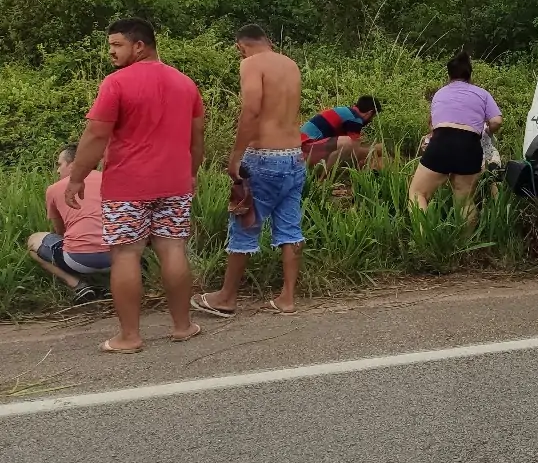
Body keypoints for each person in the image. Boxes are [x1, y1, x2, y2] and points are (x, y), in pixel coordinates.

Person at [65, 18, 204, 353]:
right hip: (174, 182)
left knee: (126, 254)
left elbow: (96, 134)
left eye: (116, 45)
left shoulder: (115, 84)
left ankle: (130, 336)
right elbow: (197, 136)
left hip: (127, 185)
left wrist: (77, 177)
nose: (110, 51)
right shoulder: (185, 83)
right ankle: (183, 326)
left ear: (139, 45)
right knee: (173, 248)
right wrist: (191, 173)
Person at [192, 24, 306, 319]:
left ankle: (226, 297)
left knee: (244, 223)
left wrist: (236, 156)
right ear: (268, 41)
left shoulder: (250, 64)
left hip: (263, 157)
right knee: (290, 228)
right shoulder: (289, 64)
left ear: (239, 46)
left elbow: (252, 109)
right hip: (294, 156)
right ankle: (287, 298)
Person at [410, 50, 501, 221]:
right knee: (465, 202)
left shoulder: (440, 93)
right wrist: (488, 129)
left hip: (442, 141)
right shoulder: (482, 94)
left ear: (449, 75)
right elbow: (497, 121)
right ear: (469, 75)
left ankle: (425, 239)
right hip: (470, 146)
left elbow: (432, 124)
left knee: (418, 193)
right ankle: (466, 245)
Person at [26, 143, 111, 304]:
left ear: (72, 164)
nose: (58, 170)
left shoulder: (54, 189)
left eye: (60, 164)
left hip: (78, 261)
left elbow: (60, 231)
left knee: (33, 241)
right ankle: (116, 282)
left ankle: (78, 285)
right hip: (119, 258)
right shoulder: (110, 179)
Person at [300, 96, 384, 172]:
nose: (371, 120)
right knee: (348, 143)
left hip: (301, 149)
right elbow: (354, 150)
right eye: (373, 116)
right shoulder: (354, 119)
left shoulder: (345, 113)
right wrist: (375, 150)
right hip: (304, 150)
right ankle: (324, 179)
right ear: (370, 113)